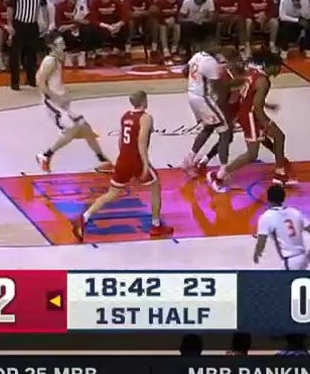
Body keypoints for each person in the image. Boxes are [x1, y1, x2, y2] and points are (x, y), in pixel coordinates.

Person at [70, 90, 174, 241]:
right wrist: (145, 164)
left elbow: (121, 140)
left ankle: (84, 218)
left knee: (112, 193)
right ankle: (156, 225)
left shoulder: (125, 116)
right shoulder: (146, 118)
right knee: (155, 187)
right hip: (136, 159)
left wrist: (122, 157)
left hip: (123, 157)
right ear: (144, 101)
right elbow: (141, 142)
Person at [208, 50, 296, 191]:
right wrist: (267, 123)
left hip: (247, 113)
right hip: (250, 116)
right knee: (252, 154)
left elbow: (250, 95)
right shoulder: (263, 81)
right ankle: (219, 176)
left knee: (278, 136)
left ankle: (280, 172)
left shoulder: (253, 74)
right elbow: (257, 106)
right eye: (278, 66)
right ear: (269, 66)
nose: (280, 69)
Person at [36, 32, 111, 173]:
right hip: (52, 103)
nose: (63, 45)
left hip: (60, 102)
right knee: (71, 128)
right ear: (51, 46)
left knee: (86, 129)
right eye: (60, 43)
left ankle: (103, 160)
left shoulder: (58, 59)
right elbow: (40, 82)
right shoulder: (49, 60)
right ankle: (45, 155)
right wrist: (55, 97)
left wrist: (64, 93)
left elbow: (54, 81)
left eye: (63, 42)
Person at [183, 43, 226, 173]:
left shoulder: (197, 55)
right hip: (203, 98)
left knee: (208, 127)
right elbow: (218, 85)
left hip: (192, 94)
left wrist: (195, 81)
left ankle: (189, 159)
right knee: (225, 132)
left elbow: (184, 71)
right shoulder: (210, 62)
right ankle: (223, 170)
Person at [253, 184, 310, 269]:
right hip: (303, 258)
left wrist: (257, 252)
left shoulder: (266, 216)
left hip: (289, 260)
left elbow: (262, 240)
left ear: (268, 199)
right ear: (284, 198)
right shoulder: (295, 212)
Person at [9, 0, 48, 90]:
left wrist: (46, 22)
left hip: (33, 25)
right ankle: (14, 82)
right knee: (16, 54)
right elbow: (10, 9)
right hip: (19, 25)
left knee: (32, 53)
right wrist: (10, 25)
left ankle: (31, 79)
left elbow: (44, 7)